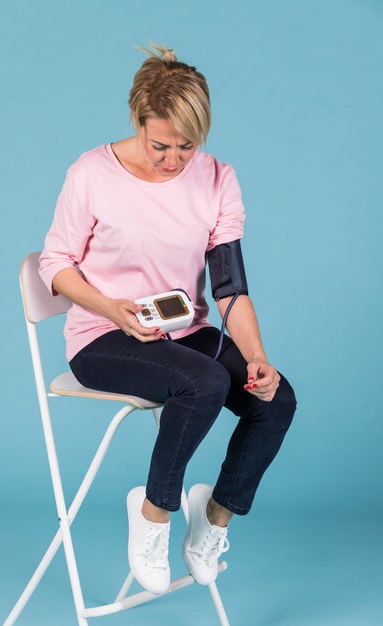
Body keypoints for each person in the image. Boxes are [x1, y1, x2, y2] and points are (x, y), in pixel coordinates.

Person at [39, 41, 297, 595]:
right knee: (201, 383)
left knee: (276, 400)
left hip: (184, 332)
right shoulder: (91, 173)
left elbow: (229, 286)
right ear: (137, 120)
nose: (175, 160)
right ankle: (154, 516)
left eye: (187, 145)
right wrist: (112, 308)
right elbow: (55, 265)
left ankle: (213, 517)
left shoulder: (217, 179)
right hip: (104, 336)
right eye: (161, 145)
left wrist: (255, 356)